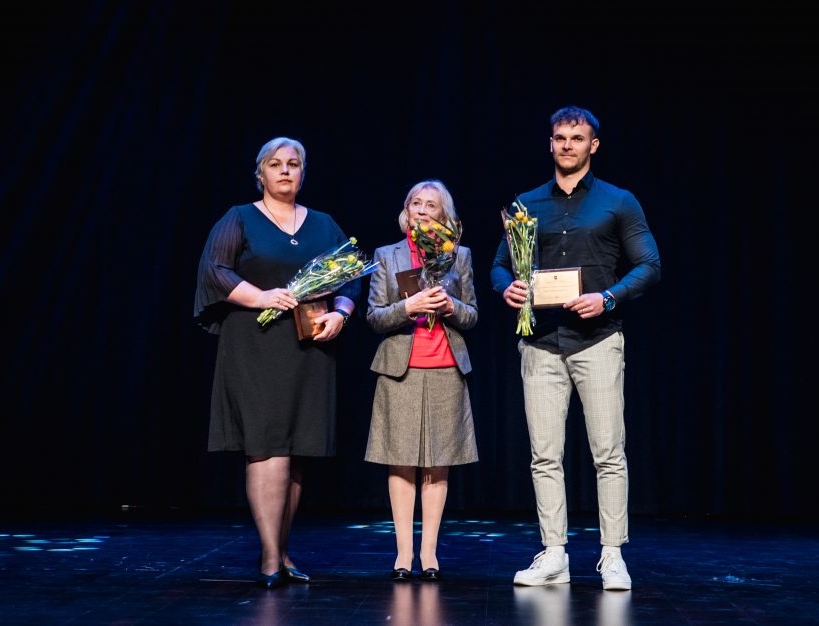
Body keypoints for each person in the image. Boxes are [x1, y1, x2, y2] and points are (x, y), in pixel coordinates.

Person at [490, 106, 661, 590]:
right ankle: (554, 553)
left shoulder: (618, 201)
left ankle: (612, 555)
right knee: (544, 454)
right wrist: (508, 288)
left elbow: (649, 265)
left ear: (594, 145)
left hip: (598, 341)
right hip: (541, 342)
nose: (567, 145)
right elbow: (499, 265)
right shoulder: (526, 203)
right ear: (550, 143)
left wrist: (607, 297)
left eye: (577, 138)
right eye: (560, 137)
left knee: (608, 453)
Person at [194, 136, 360, 589]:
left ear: (303, 172)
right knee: (267, 447)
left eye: (294, 164)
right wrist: (261, 296)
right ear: (261, 173)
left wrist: (341, 314)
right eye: (276, 164)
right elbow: (215, 271)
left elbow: (349, 276)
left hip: (309, 347)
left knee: (296, 450)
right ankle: (269, 557)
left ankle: (283, 553)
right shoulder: (240, 218)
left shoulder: (324, 224)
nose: (285, 171)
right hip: (256, 344)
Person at [364, 179, 479, 582]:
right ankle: (403, 554)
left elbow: (473, 316)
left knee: (437, 465)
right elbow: (374, 317)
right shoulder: (386, 255)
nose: (423, 210)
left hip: (446, 366)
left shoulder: (459, 255)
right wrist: (407, 305)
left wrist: (452, 306)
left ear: (444, 215)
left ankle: (429, 553)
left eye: (432, 204)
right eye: (416, 203)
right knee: (400, 463)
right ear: (407, 211)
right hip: (401, 369)